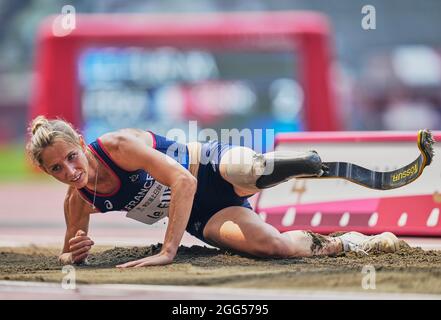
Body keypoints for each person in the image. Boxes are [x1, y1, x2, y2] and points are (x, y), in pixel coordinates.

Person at [26, 116, 401, 268]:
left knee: (244, 169)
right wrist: (73, 254)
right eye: (56, 168)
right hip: (202, 214)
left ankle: (294, 166)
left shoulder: (118, 146)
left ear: (80, 141)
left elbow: (184, 182)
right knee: (271, 247)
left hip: (205, 166)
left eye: (72, 158)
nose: (70, 172)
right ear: (45, 170)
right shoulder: (78, 200)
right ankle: (352, 242)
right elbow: (66, 255)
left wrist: (167, 251)